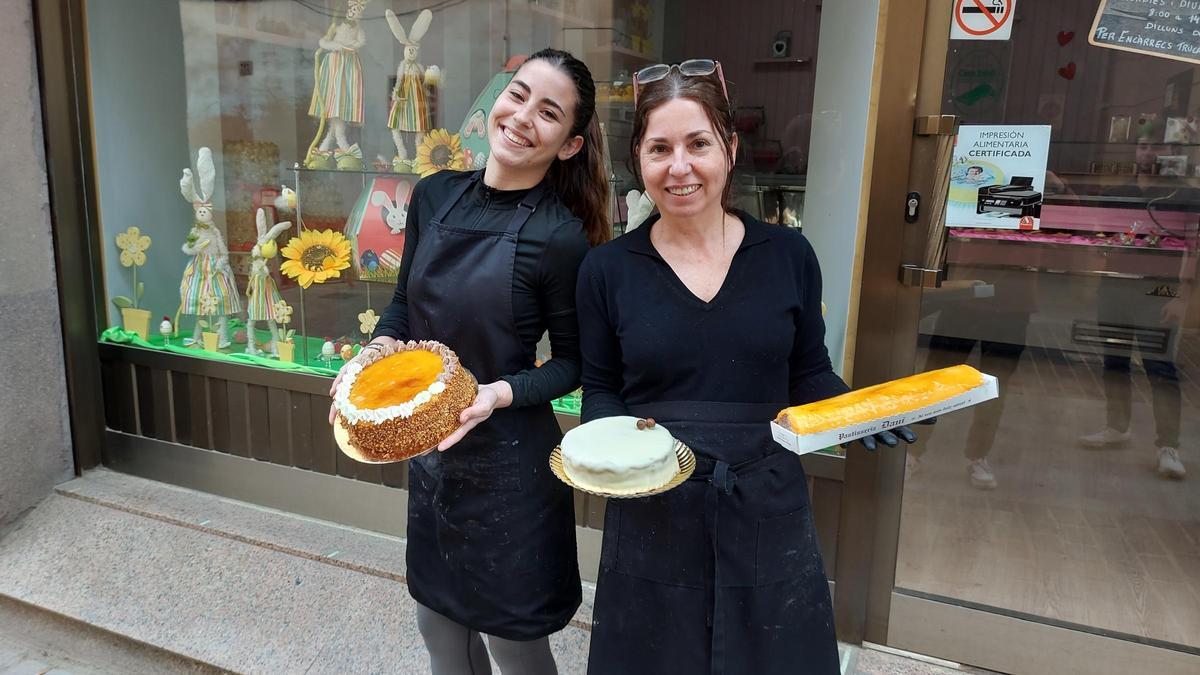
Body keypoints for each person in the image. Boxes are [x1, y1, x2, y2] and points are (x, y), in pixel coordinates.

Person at [576, 59, 921, 675]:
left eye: (698, 144)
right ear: (639, 160)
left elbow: (809, 370)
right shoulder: (607, 271)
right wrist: (614, 457)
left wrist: (855, 411)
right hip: (654, 506)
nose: (679, 167)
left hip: (765, 500)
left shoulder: (787, 255)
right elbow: (602, 389)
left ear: (729, 149)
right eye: (660, 148)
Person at [328, 48, 610, 674]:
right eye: (518, 94)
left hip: (513, 471)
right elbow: (402, 308)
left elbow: (571, 365)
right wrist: (376, 354)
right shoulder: (433, 196)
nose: (522, 117)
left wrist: (496, 394)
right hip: (435, 456)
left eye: (548, 112)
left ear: (568, 144)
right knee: (438, 625)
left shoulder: (558, 237)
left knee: (513, 643)